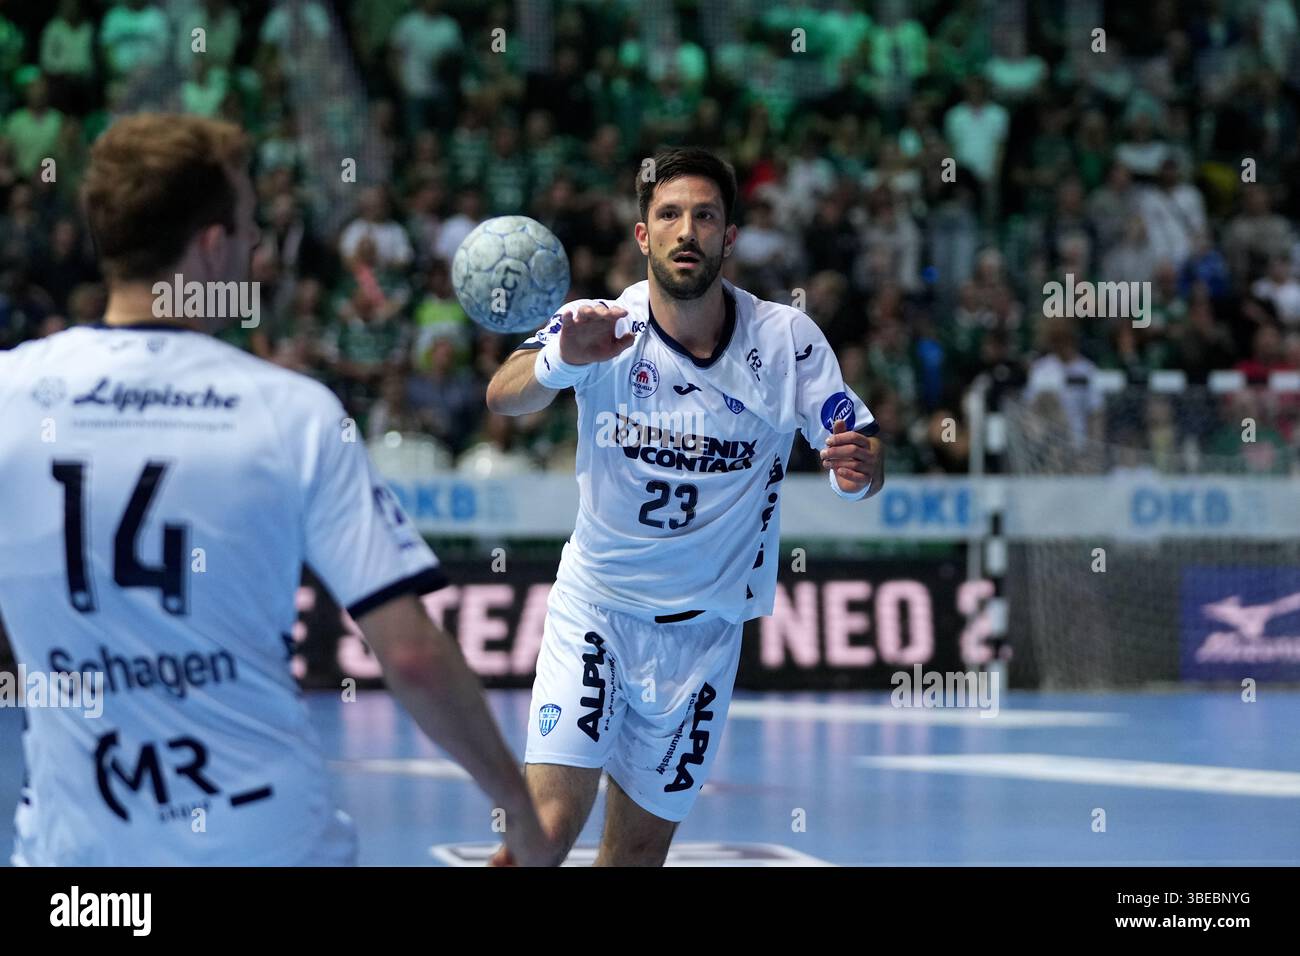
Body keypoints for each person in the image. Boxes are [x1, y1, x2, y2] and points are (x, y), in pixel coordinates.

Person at [0, 114, 557, 867]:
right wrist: (516, 810)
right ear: (209, 246)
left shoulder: (13, 394)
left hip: (78, 863)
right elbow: (412, 656)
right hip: (265, 843)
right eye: (248, 230)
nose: (257, 251)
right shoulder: (289, 411)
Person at [485, 147, 884, 866]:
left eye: (705, 216)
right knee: (540, 834)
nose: (686, 231)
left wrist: (857, 471)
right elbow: (504, 393)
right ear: (643, 235)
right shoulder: (601, 326)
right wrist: (561, 360)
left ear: (730, 236)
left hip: (705, 639)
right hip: (597, 613)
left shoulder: (784, 340)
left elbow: (853, 446)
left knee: (635, 861)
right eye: (668, 215)